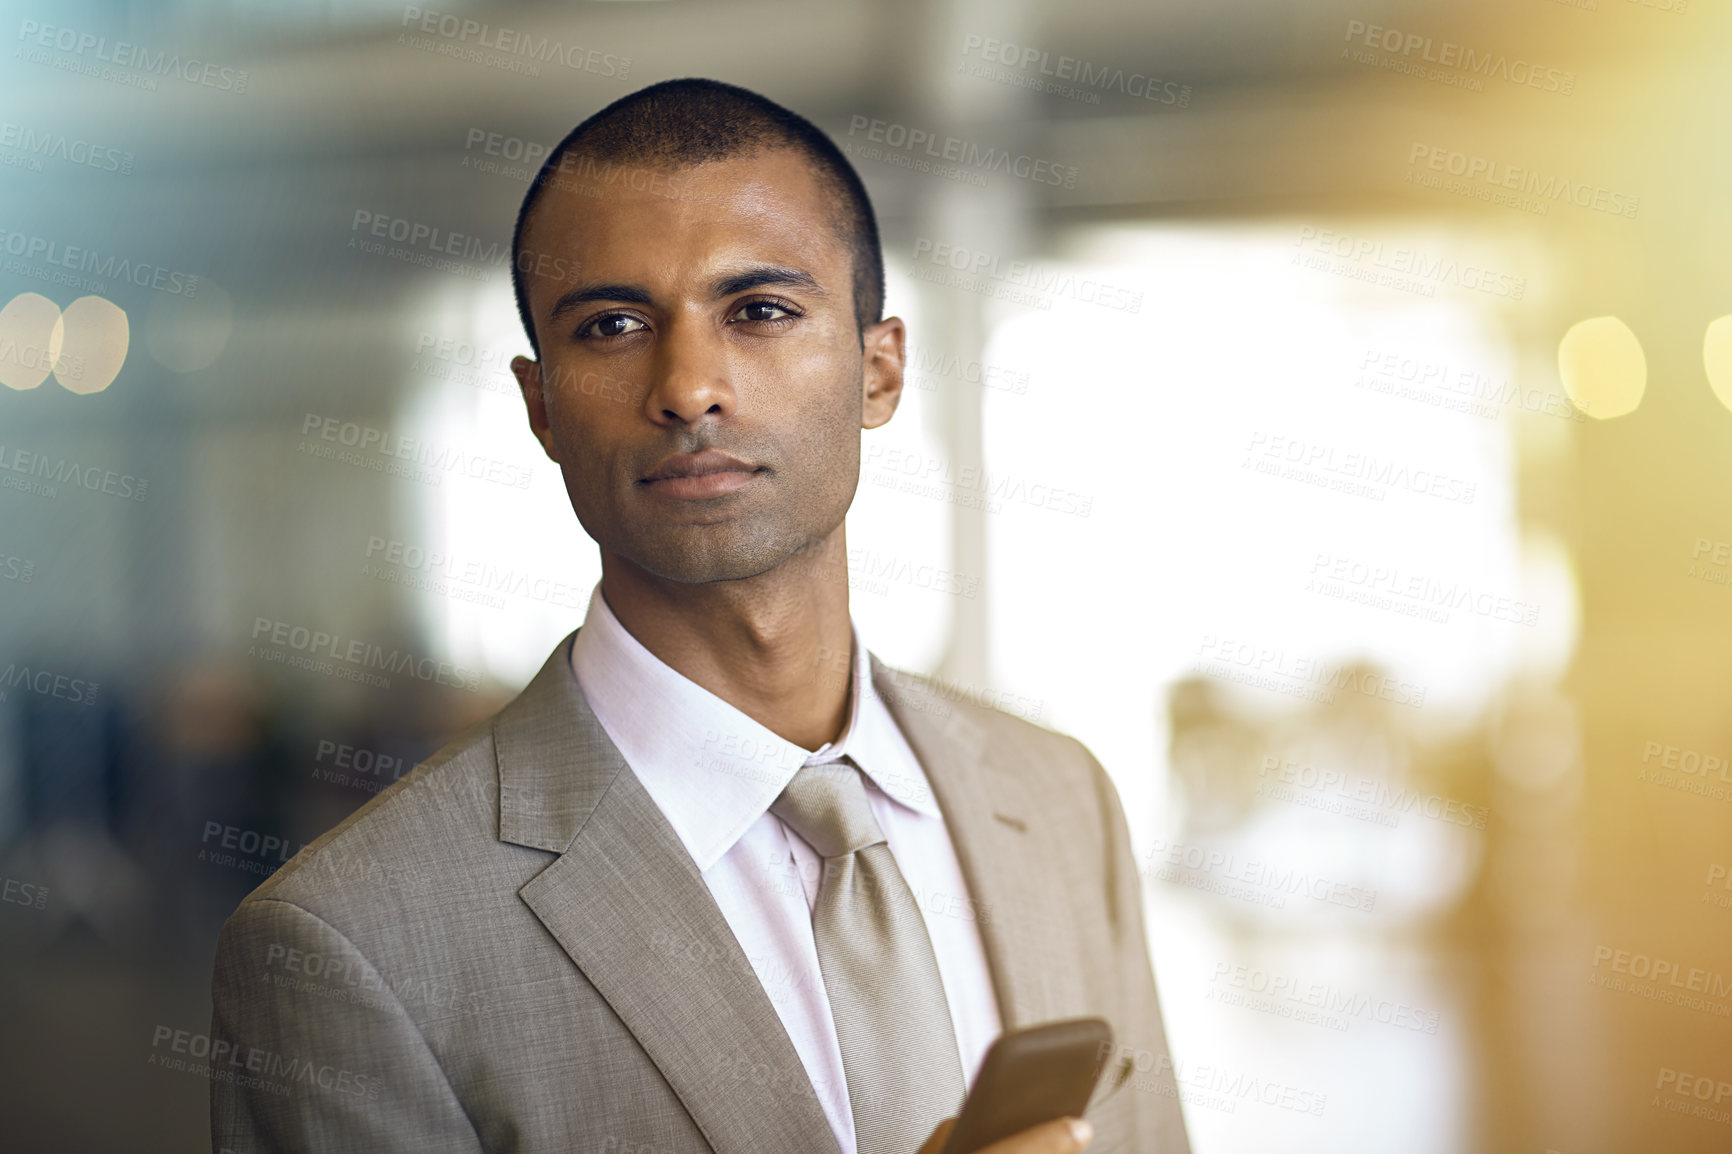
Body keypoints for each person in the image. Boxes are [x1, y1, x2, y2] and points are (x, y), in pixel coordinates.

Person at [209, 77, 1190, 1154]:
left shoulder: (1056, 797)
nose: (688, 387)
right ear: (540, 408)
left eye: (760, 310)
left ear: (880, 368)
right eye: (613, 323)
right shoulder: (353, 938)